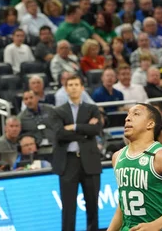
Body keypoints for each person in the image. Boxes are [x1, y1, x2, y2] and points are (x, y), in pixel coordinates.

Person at [108, 104, 162, 231]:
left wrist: (155, 225)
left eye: (136, 114)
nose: (127, 118)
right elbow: (123, 204)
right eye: (128, 114)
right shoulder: (117, 157)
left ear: (150, 124)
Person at [51, 75, 102, 231]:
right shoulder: (58, 111)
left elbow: (96, 129)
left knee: (93, 205)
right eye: (70, 84)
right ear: (66, 89)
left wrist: (73, 127)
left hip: (90, 162)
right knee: (68, 207)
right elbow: (59, 134)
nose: (73, 87)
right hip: (68, 162)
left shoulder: (92, 108)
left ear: (82, 88)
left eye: (76, 84)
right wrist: (85, 131)